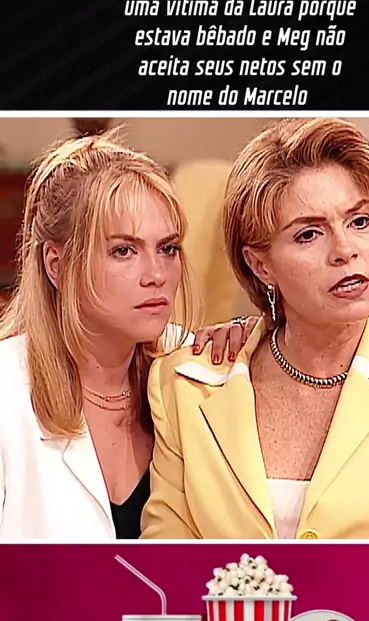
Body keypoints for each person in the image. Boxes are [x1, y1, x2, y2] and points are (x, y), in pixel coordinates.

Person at [142, 117, 369, 540]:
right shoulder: (185, 386)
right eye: (309, 235)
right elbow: (165, 560)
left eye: (360, 221)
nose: (346, 250)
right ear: (260, 264)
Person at [0, 132, 254, 541]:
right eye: (124, 251)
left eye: (168, 248)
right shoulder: (7, 392)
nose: (156, 275)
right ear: (56, 265)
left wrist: (250, 350)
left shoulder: (195, 370)